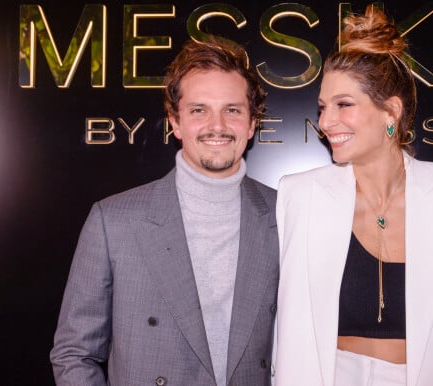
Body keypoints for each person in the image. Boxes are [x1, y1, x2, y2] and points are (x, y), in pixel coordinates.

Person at [272, 5, 433, 386]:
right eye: (323, 107)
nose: (324, 122)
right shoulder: (299, 195)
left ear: (391, 112)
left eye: (344, 105)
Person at [50, 37, 279, 385]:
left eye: (232, 110)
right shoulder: (114, 221)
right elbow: (74, 354)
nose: (216, 125)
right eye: (199, 110)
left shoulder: (286, 215)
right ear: (175, 121)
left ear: (251, 124)